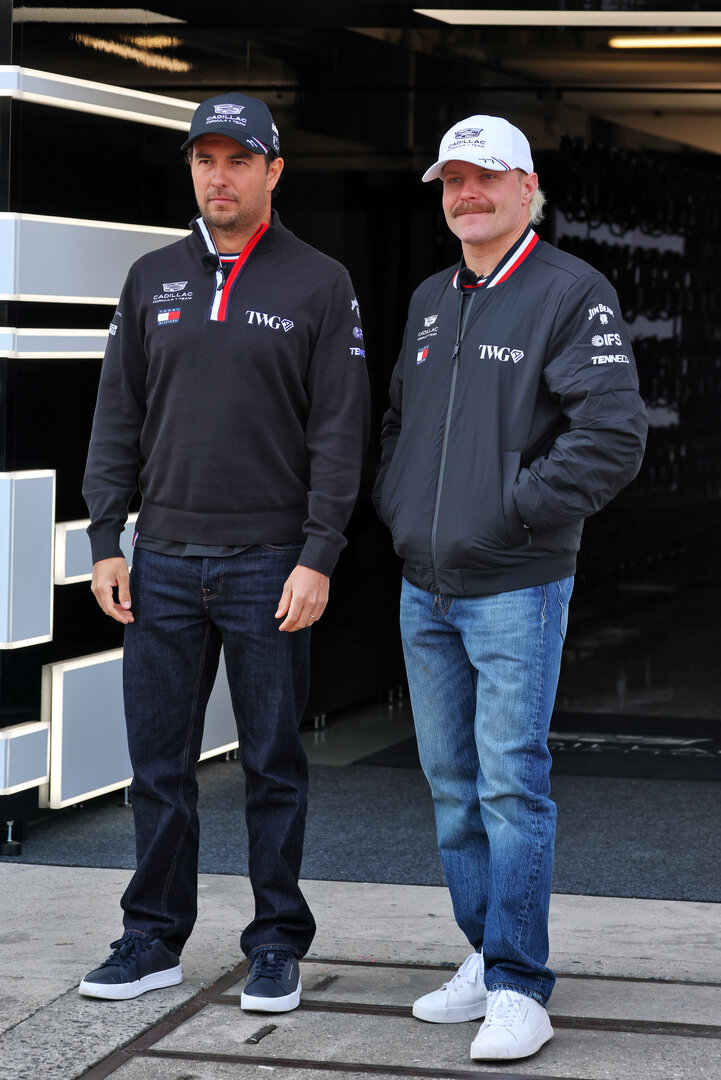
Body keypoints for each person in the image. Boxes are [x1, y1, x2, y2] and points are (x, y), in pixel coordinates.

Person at [80, 92, 369, 1011]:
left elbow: (339, 432)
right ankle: (153, 937)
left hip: (268, 564)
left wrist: (318, 553)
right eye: (205, 160)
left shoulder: (319, 283)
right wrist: (104, 538)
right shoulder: (151, 277)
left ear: (273, 171)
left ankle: (276, 940)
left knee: (272, 764)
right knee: (157, 768)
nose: (219, 176)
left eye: (237, 160)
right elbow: (115, 416)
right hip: (159, 558)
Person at [373, 115, 647, 1062]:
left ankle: (522, 986)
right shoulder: (428, 299)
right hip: (426, 586)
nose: (466, 195)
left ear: (528, 189)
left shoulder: (573, 293)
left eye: (485, 178)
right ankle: (484, 957)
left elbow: (613, 435)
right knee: (451, 787)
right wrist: (400, 507)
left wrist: (509, 511)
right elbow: (400, 428)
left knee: (509, 786)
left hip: (515, 583)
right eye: (451, 180)